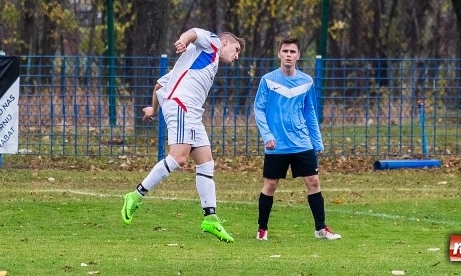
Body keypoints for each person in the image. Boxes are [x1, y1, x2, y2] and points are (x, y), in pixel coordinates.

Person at [120, 28, 245, 243]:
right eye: (236, 49)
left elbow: (160, 84)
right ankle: (135, 195)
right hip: (181, 106)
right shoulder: (213, 43)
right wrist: (183, 40)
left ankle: (211, 219)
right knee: (179, 158)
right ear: (226, 42)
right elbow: (195, 32)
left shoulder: (194, 61)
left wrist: (153, 109)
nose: (237, 55)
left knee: (206, 164)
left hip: (193, 113)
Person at [253, 36, 341, 241]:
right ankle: (262, 229)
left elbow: (310, 112)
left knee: (313, 182)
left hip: (302, 142)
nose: (288, 55)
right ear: (279, 54)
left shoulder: (307, 81)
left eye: (292, 52)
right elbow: (258, 109)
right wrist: (267, 135)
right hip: (277, 144)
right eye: (285, 51)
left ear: (298, 56)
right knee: (270, 185)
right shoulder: (268, 80)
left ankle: (320, 229)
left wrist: (316, 141)